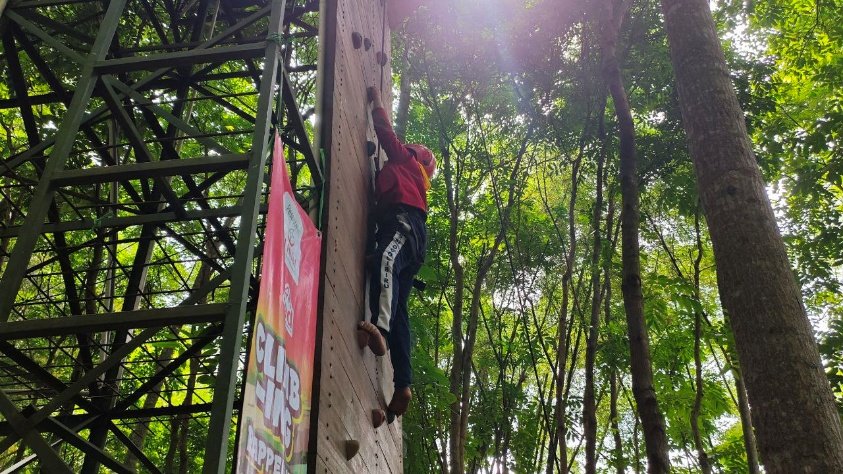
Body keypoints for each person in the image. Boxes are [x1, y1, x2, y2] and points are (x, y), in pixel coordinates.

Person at [357, 85, 436, 418]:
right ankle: (403, 383)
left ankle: (382, 332)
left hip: (403, 227)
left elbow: (386, 135)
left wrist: (376, 103)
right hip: (411, 235)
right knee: (400, 307)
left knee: (386, 261)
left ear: (416, 155)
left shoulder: (407, 162)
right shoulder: (414, 179)